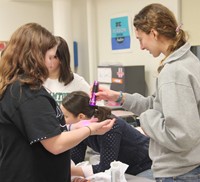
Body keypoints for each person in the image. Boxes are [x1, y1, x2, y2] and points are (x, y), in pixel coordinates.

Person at [94, 3, 200, 182]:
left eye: (140, 39)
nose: (141, 46)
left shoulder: (174, 72)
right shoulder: (188, 61)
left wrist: (145, 119)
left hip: (178, 172)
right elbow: (156, 105)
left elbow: (181, 136)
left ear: (153, 33)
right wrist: (118, 97)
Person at [0, 22, 115, 182]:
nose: (51, 63)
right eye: (49, 57)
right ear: (34, 56)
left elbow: (42, 129)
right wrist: (90, 130)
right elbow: (55, 144)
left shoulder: (14, 87)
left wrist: (75, 127)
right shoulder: (28, 93)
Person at [60, 91, 153, 179]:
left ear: (81, 116)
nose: (62, 120)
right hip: (121, 167)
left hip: (144, 166)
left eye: (66, 116)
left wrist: (71, 171)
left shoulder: (109, 127)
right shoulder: (82, 128)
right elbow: (76, 159)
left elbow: (106, 167)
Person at [43, 36, 90, 105]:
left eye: (53, 57)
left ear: (61, 59)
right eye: (46, 56)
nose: (48, 61)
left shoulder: (77, 82)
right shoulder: (37, 81)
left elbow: (96, 103)